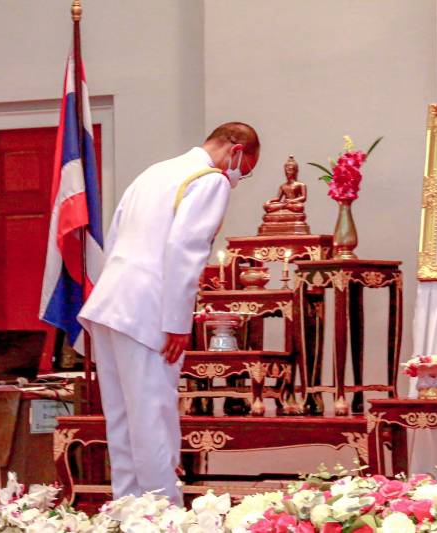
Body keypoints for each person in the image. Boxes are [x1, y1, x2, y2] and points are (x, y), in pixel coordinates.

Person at [78, 122, 260, 505]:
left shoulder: (154, 172)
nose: (237, 180)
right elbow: (185, 250)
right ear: (236, 152)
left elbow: (115, 236)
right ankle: (163, 514)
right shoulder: (210, 180)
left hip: (110, 303)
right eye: (244, 171)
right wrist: (177, 323)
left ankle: (128, 510)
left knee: (122, 418)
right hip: (148, 309)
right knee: (153, 418)